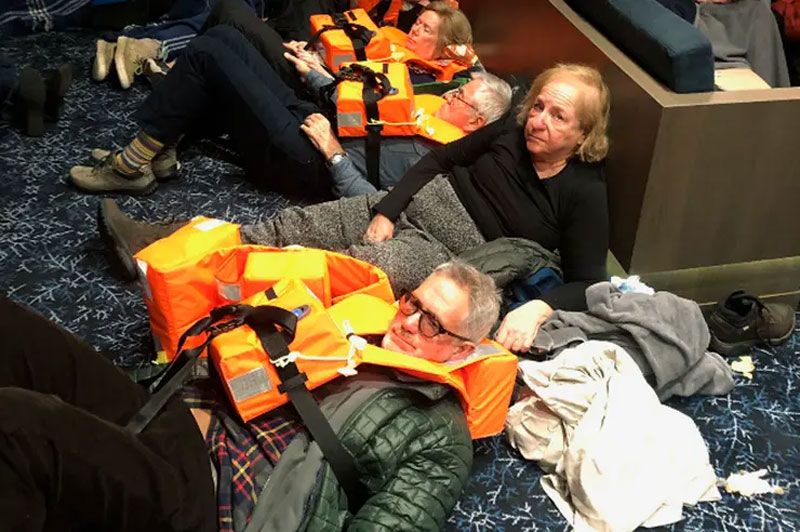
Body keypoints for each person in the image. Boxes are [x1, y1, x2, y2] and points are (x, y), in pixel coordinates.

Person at [100, 63, 610, 353]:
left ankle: (215, 310)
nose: (538, 121)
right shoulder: (511, 131)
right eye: (538, 106)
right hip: (412, 204)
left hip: (446, 255)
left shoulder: (584, 191)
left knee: (340, 268)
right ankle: (162, 241)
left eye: (557, 116)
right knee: (294, 224)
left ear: (584, 134)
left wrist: (541, 307)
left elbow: (588, 280)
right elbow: (440, 161)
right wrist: (386, 209)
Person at [0, 261, 500, 531]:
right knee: (14, 327)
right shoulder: (357, 327)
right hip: (182, 411)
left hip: (219, 498)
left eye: (432, 323)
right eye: (412, 303)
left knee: (18, 424)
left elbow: (396, 524)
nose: (408, 322)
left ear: (462, 350)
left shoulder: (441, 433)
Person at [68, 19, 510, 197]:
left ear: (476, 122)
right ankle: (160, 148)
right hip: (314, 121)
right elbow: (366, 111)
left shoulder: (442, 167)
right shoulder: (432, 114)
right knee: (226, 36)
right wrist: (315, 73)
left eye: (459, 98)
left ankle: (133, 165)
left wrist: (333, 153)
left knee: (206, 55)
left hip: (308, 161)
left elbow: (377, 205)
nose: (448, 95)